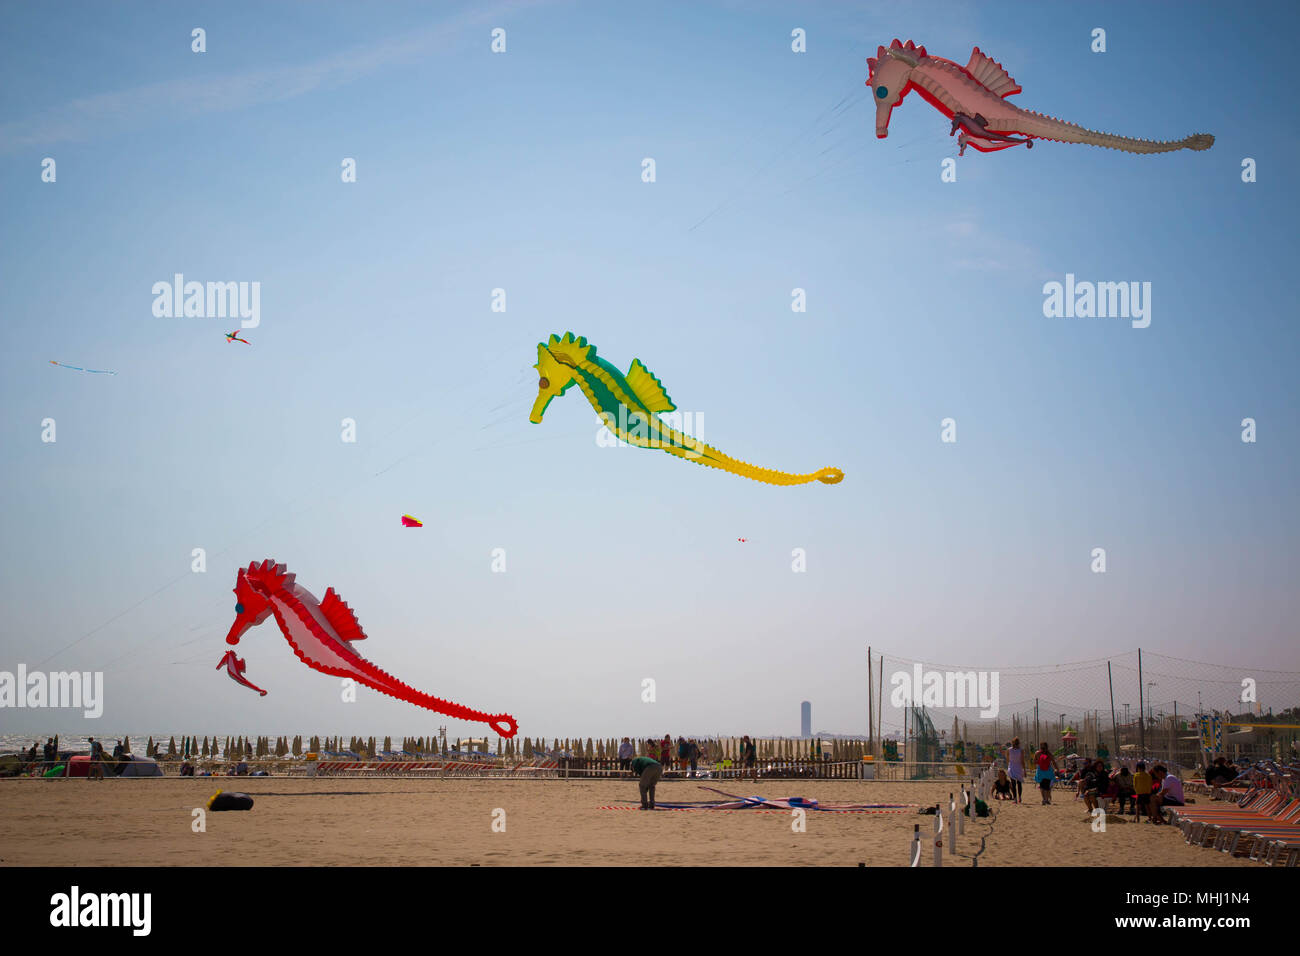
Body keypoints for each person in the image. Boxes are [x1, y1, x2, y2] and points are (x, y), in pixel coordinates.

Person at [1005, 737, 1025, 804]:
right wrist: (1024, 769)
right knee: (1015, 784)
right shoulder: (1010, 750)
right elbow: (1008, 759)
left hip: (1016, 767)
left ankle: (1018, 798)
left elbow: (1022, 760)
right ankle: (1017, 798)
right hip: (1014, 767)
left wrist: (1024, 769)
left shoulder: (1020, 750)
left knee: (1017, 783)